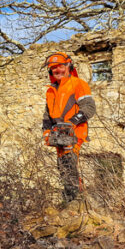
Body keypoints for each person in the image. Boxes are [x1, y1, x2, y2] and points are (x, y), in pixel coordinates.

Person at [42, 52, 97, 203]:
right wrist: (47, 132)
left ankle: (76, 202)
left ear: (68, 66)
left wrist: (72, 122)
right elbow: (47, 116)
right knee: (63, 168)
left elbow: (89, 107)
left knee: (69, 166)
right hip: (59, 135)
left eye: (60, 66)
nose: (57, 70)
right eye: (54, 68)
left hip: (75, 133)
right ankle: (73, 201)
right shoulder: (51, 90)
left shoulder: (78, 84)